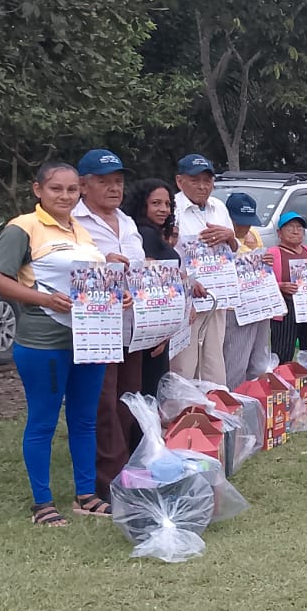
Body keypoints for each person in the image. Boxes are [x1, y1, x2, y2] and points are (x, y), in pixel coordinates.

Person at [0, 162, 112, 524]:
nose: (65, 196)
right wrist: (44, 300)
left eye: (72, 189)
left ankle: (86, 496)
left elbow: (88, 283)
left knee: (85, 420)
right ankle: (42, 504)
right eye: (56, 188)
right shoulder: (23, 227)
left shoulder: (81, 231)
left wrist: (116, 291)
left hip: (89, 340)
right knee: (43, 421)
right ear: (38, 190)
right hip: (43, 341)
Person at [70, 149, 146, 501]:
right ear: (84, 185)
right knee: (101, 402)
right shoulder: (73, 222)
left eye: (118, 181)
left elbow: (141, 270)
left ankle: (125, 467)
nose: (114, 188)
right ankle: (109, 481)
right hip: (96, 327)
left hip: (132, 326)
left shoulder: (127, 222)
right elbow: (67, 267)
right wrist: (104, 262)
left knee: (126, 399)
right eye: (104, 182)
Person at [171, 153, 235, 385]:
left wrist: (230, 236)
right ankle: (182, 404)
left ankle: (215, 402)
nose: (202, 186)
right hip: (186, 296)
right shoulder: (172, 209)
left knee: (214, 357)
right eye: (195, 180)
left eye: (207, 180)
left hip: (217, 293)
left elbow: (233, 248)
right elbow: (164, 254)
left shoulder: (218, 207)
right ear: (180, 181)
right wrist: (185, 281)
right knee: (184, 362)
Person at [123, 178, 180, 396]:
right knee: (149, 390)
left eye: (167, 204)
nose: (163, 209)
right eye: (156, 203)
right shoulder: (144, 234)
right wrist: (159, 331)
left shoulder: (155, 233)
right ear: (142, 204)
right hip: (149, 327)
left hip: (156, 326)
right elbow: (147, 286)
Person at [221, 191, 270, 387]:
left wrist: (266, 261)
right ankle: (233, 398)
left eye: (249, 222)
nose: (245, 227)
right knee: (236, 361)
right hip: (236, 309)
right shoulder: (222, 236)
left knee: (259, 360)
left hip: (259, 303)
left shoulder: (254, 236)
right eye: (239, 222)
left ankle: (256, 394)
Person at [267, 212, 307, 363]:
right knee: (283, 351)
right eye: (290, 228)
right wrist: (281, 286)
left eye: (299, 228)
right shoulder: (273, 253)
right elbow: (264, 282)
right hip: (286, 308)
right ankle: (282, 377)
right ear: (279, 233)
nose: (295, 231)